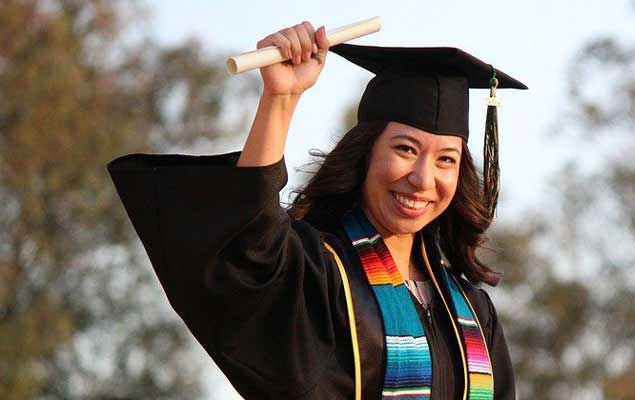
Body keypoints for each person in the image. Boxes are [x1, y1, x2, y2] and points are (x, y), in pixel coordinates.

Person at [107, 20, 526, 400]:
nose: (422, 178)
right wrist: (281, 98)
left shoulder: (472, 310)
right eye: (404, 149)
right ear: (364, 156)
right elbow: (247, 243)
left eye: (445, 160)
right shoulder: (317, 275)